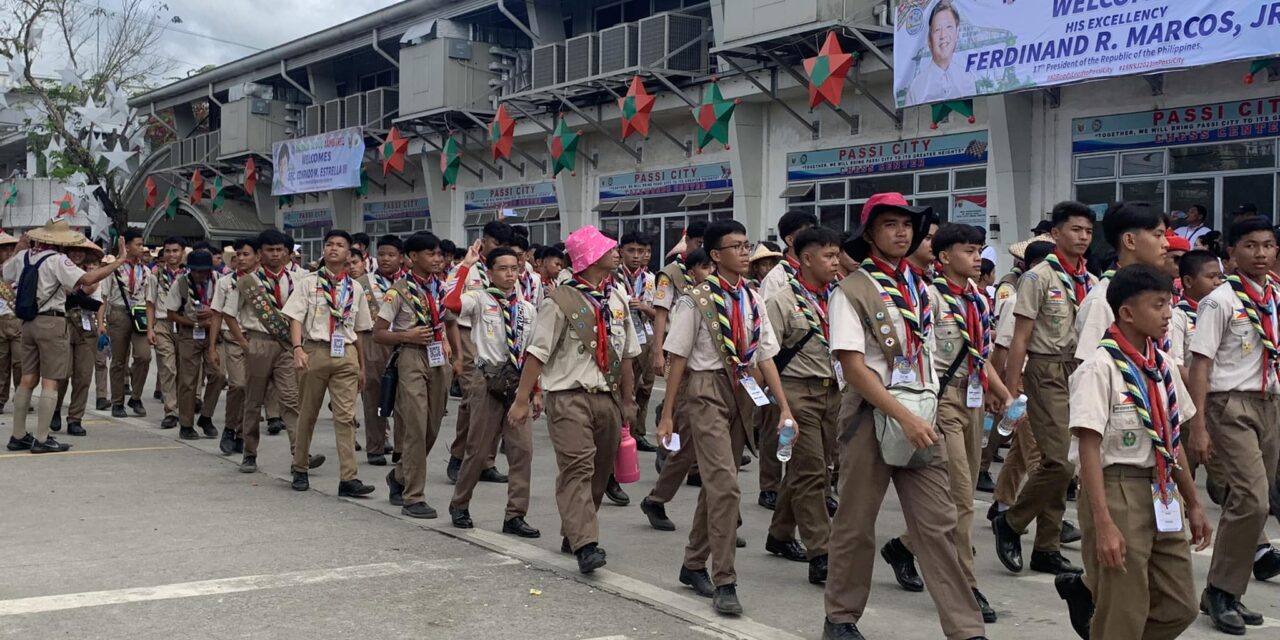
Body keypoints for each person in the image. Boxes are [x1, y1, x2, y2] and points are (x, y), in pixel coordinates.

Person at [822, 193, 985, 640]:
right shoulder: (850, 291)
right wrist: (903, 416)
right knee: (856, 523)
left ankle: (966, 629)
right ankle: (840, 618)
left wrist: (922, 412)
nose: (902, 231)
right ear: (870, 234)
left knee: (939, 525)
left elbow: (928, 355)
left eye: (908, 224)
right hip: (868, 417)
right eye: (890, 224)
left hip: (920, 414)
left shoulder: (922, 288)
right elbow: (853, 367)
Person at [1069, 264, 1212, 639]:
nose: (1168, 314)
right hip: (1118, 487)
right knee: (1123, 607)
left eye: (1170, 303)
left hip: (1161, 488)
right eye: (1158, 304)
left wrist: (1193, 502)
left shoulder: (1162, 366)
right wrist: (1103, 524)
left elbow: (1172, 439)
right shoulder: (1099, 369)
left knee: (1180, 606)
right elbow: (1088, 448)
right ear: (1127, 313)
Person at [881, 223, 1012, 624]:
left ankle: (904, 547)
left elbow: (979, 352)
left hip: (972, 396)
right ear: (943, 257)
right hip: (941, 401)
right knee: (958, 497)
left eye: (979, 251)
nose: (978, 258)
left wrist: (1002, 393)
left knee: (964, 492)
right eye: (969, 251)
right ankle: (967, 586)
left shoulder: (977, 298)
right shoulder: (929, 298)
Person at [658, 220, 790, 616]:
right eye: (736, 247)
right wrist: (667, 415)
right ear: (716, 256)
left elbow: (765, 354)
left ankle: (692, 563)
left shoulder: (752, 297)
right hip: (705, 390)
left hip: (742, 391)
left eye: (746, 245)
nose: (746, 252)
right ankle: (725, 579)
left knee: (719, 483)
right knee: (727, 487)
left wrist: (783, 407)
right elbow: (677, 359)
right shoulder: (694, 300)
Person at [508, 225, 640, 575]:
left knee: (599, 472)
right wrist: (523, 399)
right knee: (577, 468)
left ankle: (574, 530)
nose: (617, 252)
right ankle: (586, 543)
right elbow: (537, 352)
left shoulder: (617, 297)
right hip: (568, 397)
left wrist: (628, 400)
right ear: (591, 256)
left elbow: (626, 353)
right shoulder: (560, 301)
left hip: (607, 397)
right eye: (609, 248)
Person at [1187, 215, 1280, 634]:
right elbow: (1200, 365)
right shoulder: (1220, 300)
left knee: (1249, 504)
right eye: (1250, 245)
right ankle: (1221, 592)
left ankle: (1225, 593)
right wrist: (1199, 425)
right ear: (1232, 252)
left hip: (1270, 401)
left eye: (1267, 245)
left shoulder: (1277, 296)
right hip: (1230, 404)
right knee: (1253, 499)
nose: (1260, 253)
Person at [992, 201, 1096, 577]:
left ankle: (1046, 546)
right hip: (1045, 369)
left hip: (1079, 370)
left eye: (1087, 231)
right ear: (1055, 234)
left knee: (1066, 461)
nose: (1082, 237)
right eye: (1074, 230)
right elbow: (1020, 337)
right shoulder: (1038, 277)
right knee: (1058, 459)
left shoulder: (1092, 281)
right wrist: (1012, 386)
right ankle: (1012, 521)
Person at [762, 226, 842, 587]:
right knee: (812, 473)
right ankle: (821, 553)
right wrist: (779, 405)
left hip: (834, 392)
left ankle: (779, 533)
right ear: (806, 259)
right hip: (797, 392)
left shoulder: (840, 298)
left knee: (814, 469)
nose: (835, 262)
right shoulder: (780, 300)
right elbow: (765, 355)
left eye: (837, 254)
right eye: (828, 256)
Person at [441, 245, 539, 537]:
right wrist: (464, 267)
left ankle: (515, 515)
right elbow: (452, 303)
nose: (509, 274)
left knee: (522, 452)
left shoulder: (527, 308)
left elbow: (533, 352)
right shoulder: (480, 300)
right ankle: (460, 504)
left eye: (514, 268)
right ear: (490, 272)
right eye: (502, 269)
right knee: (479, 449)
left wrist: (536, 391)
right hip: (487, 379)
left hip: (517, 383)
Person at [4, 220, 126, 454]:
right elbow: (88, 280)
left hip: (28, 322)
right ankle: (41, 438)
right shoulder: (57, 260)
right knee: (51, 379)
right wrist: (118, 261)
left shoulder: (23, 258)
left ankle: (17, 435)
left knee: (27, 378)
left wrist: (19, 247)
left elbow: (6, 274)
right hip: (52, 322)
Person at [222, 229, 322, 474]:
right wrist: (244, 343)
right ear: (259, 253)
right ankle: (249, 452)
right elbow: (229, 313)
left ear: (288, 253)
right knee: (253, 401)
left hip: (289, 345)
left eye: (280, 250)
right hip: (258, 341)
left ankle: (300, 453)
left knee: (290, 399)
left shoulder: (299, 280)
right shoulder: (247, 281)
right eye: (269, 250)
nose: (275, 254)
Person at [284, 229, 374, 496]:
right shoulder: (308, 283)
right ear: (323, 251)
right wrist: (298, 348)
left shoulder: (355, 288)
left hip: (345, 354)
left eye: (340, 245)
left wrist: (362, 365)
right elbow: (295, 317)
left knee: (346, 418)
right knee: (308, 413)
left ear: (349, 253)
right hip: (315, 350)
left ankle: (349, 478)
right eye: (329, 245)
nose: (334, 249)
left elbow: (359, 330)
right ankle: (300, 467)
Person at [376, 232, 452, 518]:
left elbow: (449, 322)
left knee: (432, 427)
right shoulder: (398, 292)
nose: (437, 259)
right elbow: (379, 333)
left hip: (438, 357)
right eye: (430, 254)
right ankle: (414, 496)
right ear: (413, 258)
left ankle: (398, 476)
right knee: (416, 427)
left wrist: (453, 354)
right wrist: (407, 334)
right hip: (410, 356)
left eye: (439, 254)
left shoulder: (440, 288)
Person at [639, 247, 714, 532]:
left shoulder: (736, 295)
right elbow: (661, 316)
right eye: (705, 266)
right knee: (687, 445)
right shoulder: (682, 292)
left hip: (724, 383)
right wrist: (658, 352)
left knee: (722, 454)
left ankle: (725, 520)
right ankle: (657, 499)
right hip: (692, 376)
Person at [445, 220, 515, 485]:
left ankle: (487, 460)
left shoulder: (511, 270)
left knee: (499, 398)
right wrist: (455, 350)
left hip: (501, 336)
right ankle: (459, 455)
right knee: (472, 400)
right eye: (496, 244)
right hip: (468, 334)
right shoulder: (468, 268)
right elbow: (449, 305)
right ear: (484, 240)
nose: (501, 250)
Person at [757, 211, 818, 511]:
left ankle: (795, 488)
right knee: (773, 429)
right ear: (792, 239)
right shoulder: (776, 278)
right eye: (809, 231)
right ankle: (769, 485)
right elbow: (767, 328)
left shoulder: (819, 276)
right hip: (780, 364)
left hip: (813, 366)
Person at [1074, 202, 1168, 361]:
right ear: (1130, 240)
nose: (1166, 243)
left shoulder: (1156, 293)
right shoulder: (1101, 301)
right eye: (1158, 235)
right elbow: (1090, 369)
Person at [163, 250, 225, 440]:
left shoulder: (219, 281)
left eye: (204, 271)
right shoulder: (180, 284)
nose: (200, 275)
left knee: (219, 375)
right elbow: (171, 314)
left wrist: (212, 318)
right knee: (188, 381)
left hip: (214, 334)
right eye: (196, 271)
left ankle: (206, 416)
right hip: (190, 334)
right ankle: (186, 424)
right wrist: (197, 323)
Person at [98, 229, 155, 419]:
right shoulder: (114, 268)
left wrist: (151, 328)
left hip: (139, 315)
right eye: (138, 244)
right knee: (119, 361)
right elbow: (103, 298)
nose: (142, 248)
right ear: (127, 246)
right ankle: (117, 401)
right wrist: (101, 322)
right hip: (119, 314)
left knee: (144, 356)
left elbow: (149, 302)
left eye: (142, 244)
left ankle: (136, 396)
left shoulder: (146, 271)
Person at [359, 235, 404, 465]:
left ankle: (401, 447)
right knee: (374, 394)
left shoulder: (408, 282)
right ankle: (375, 446)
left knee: (404, 397)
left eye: (391, 255)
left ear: (402, 258)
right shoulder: (363, 282)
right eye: (382, 254)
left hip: (403, 342)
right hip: (374, 342)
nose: (386, 259)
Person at [210, 237, 258, 456]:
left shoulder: (262, 281)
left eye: (245, 254)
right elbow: (217, 315)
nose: (240, 258)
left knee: (253, 391)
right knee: (237, 385)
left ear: (257, 256)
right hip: (232, 338)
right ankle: (229, 429)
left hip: (258, 340)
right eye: (237, 255)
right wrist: (212, 346)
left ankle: (242, 433)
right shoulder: (225, 282)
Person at [53, 238, 104, 437]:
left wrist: (101, 325)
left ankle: (75, 418)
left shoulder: (92, 275)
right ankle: (55, 409)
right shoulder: (57, 269)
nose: (76, 254)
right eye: (72, 250)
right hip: (63, 324)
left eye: (80, 251)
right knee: (62, 374)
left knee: (83, 376)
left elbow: (99, 302)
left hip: (85, 326)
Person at [618, 232, 658, 453]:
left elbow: (660, 315)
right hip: (623, 339)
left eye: (641, 251)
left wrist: (644, 307)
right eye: (631, 251)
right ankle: (621, 430)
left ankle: (638, 432)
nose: (636, 256)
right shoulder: (613, 279)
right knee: (625, 387)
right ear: (621, 251)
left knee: (645, 386)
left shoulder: (651, 281)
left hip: (646, 336)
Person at [652, 220, 708, 373]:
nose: (702, 249)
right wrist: (658, 353)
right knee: (677, 391)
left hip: (703, 345)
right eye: (699, 243)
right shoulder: (671, 272)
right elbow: (661, 314)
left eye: (706, 245)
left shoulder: (711, 271)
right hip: (677, 344)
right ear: (687, 240)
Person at [905, 1, 976, 107]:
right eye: (937, 29)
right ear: (929, 39)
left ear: (957, 33)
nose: (943, 35)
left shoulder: (968, 79)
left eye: (949, 27)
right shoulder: (916, 87)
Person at [1169, 250, 1223, 378]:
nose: (1218, 282)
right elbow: (1177, 366)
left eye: (1220, 277)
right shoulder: (1177, 316)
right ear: (1188, 281)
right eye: (1211, 277)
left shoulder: (1224, 312)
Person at [0, 231, 23, 413]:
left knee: (20, 362)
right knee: (1, 363)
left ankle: (22, 397)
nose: (8, 253)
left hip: (17, 320)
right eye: (4, 250)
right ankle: (0, 399)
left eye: (11, 250)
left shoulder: (19, 271)